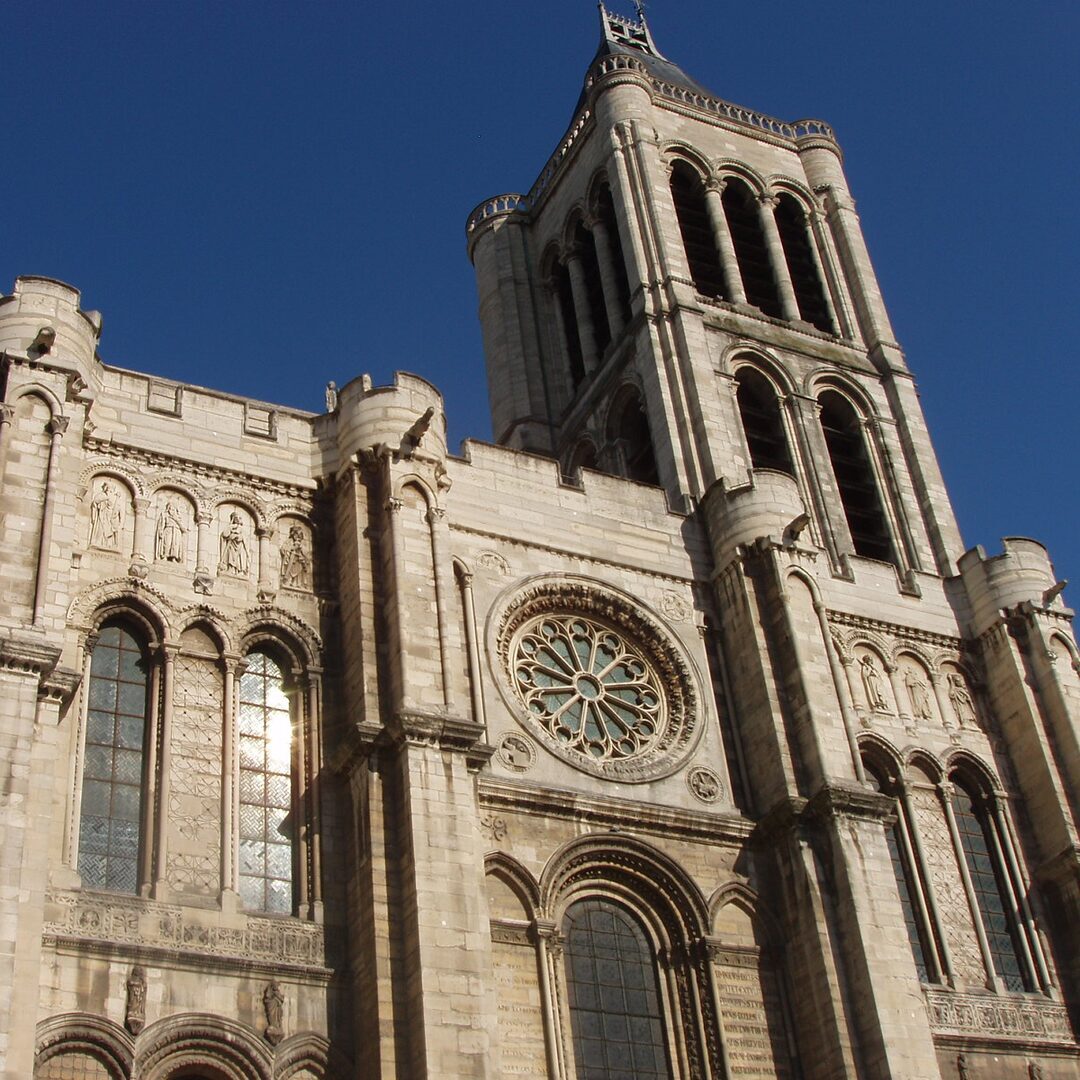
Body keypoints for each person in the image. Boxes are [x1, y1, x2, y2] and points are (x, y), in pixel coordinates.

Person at [218, 511, 249, 575]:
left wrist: (237, 536)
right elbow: (225, 534)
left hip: (239, 546)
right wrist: (230, 527)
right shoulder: (230, 527)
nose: (237, 519)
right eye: (235, 518)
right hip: (231, 544)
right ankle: (230, 568)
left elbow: (244, 538)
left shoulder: (241, 529)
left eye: (239, 518)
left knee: (239, 557)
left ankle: (239, 570)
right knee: (230, 553)